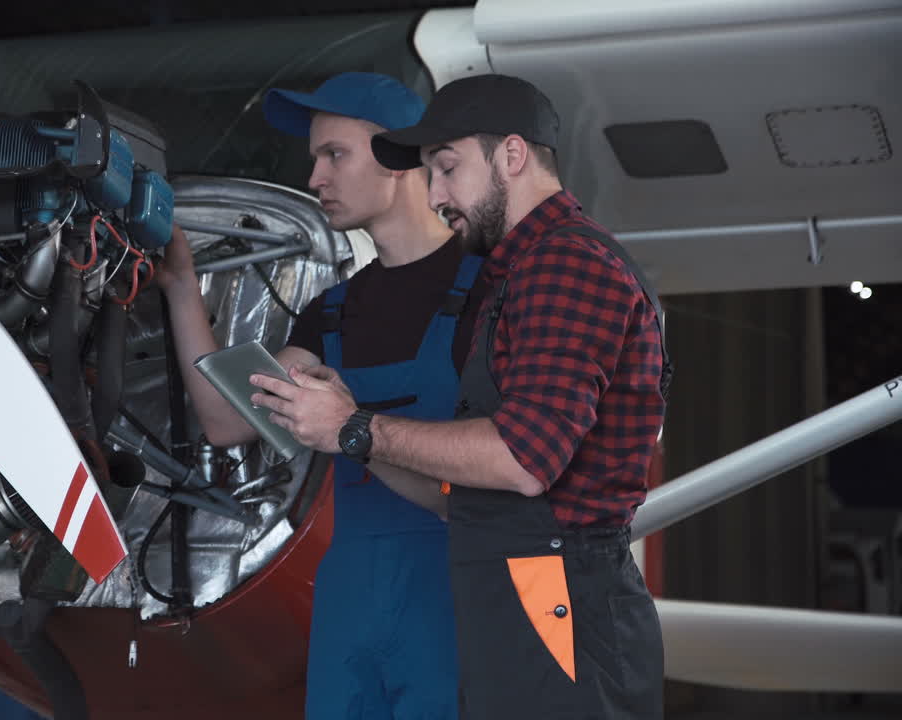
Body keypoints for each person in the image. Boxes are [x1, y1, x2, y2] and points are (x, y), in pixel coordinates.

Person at [250, 73, 671, 719]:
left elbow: (524, 460)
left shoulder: (566, 265)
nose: (437, 193)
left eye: (447, 168)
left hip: (555, 591)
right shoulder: (518, 270)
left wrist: (355, 428)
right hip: (512, 588)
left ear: (512, 155)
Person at [157, 71, 483, 718]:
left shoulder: (489, 290)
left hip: (455, 587)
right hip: (349, 599)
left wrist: (351, 429)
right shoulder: (333, 311)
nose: (315, 180)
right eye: (315, 159)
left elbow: (500, 467)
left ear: (397, 158)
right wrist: (180, 288)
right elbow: (226, 421)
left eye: (335, 155)